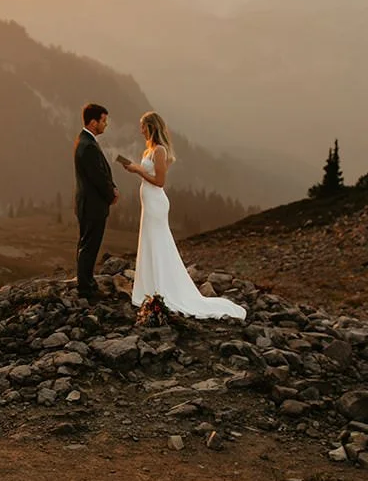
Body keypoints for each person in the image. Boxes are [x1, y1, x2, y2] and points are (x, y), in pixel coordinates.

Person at [119, 111, 245, 320]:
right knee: (150, 242)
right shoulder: (148, 150)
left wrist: (137, 170)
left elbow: (159, 181)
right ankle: (149, 289)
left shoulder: (159, 150)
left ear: (151, 127)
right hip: (149, 203)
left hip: (156, 203)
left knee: (158, 242)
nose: (140, 130)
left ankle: (161, 289)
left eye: (143, 126)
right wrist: (138, 168)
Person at [73, 102, 117, 300]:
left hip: (88, 203)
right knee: (89, 245)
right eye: (103, 121)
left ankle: (86, 282)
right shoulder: (88, 146)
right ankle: (86, 287)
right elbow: (97, 176)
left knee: (87, 243)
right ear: (93, 122)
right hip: (92, 204)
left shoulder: (85, 141)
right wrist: (111, 194)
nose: (105, 125)